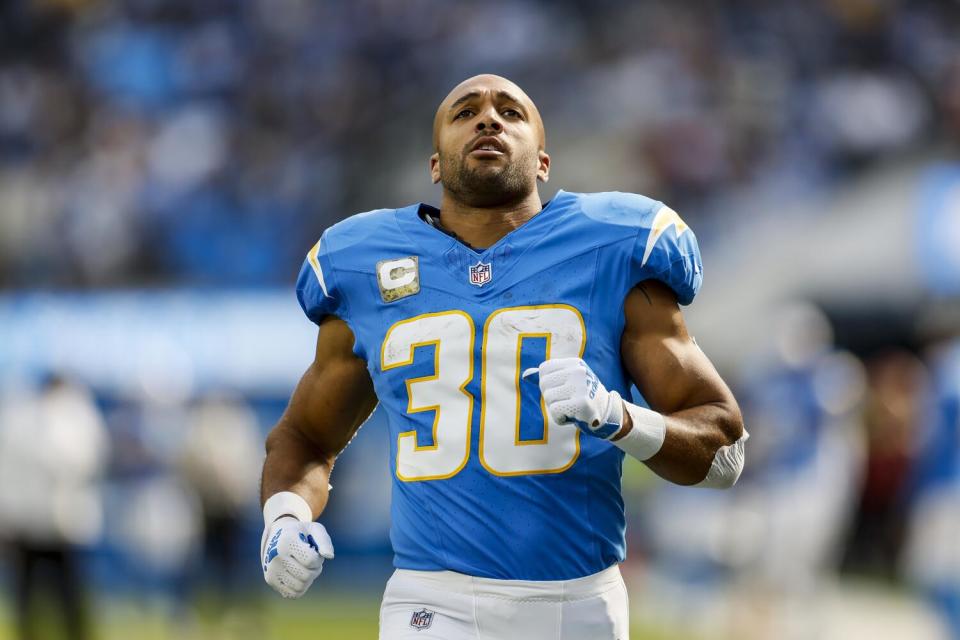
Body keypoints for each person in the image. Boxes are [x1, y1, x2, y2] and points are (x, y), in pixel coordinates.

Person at [258, 74, 747, 639]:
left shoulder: (612, 247)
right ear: (436, 164)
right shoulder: (366, 264)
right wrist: (285, 517)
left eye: (510, 113)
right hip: (430, 602)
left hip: (577, 604)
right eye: (465, 112)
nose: (488, 118)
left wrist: (620, 419)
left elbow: (724, 453)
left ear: (542, 161)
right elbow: (304, 437)